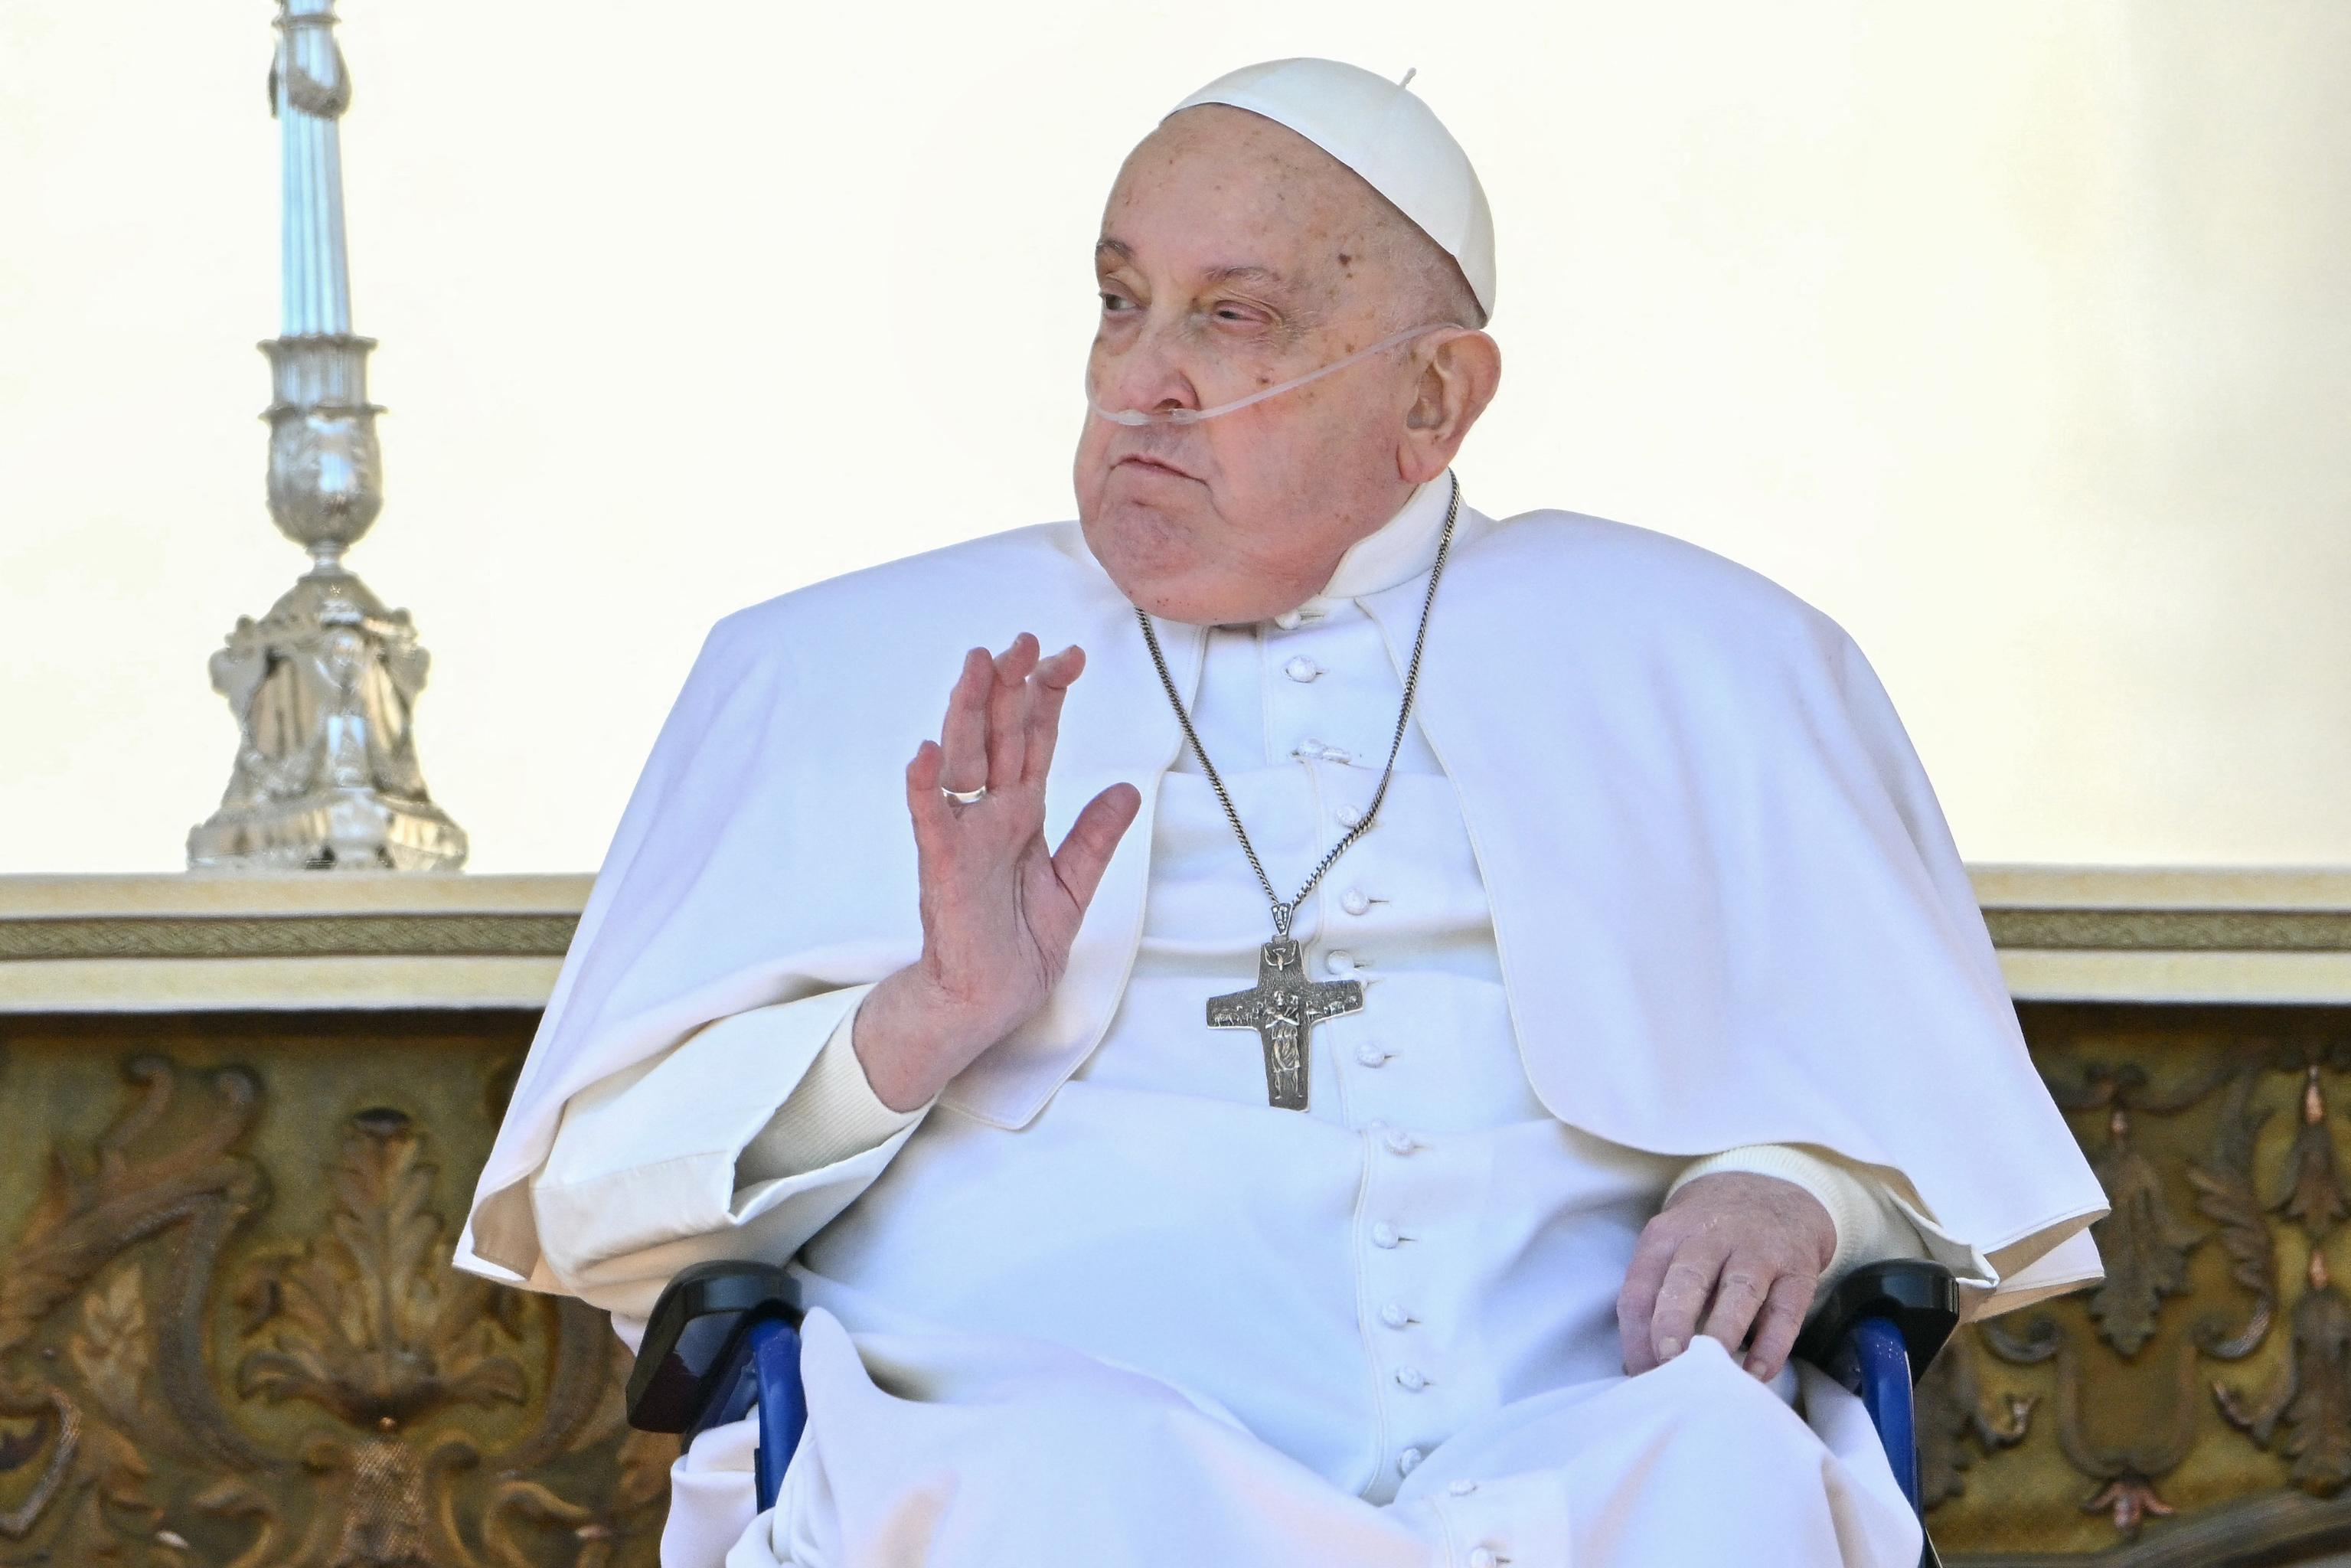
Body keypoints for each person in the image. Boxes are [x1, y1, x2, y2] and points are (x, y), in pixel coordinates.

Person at [457, 57, 2107, 1568]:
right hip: (1039, 1439)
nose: (1143, 383)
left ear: (1436, 400)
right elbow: (597, 1219)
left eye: (1231, 320)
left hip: (1588, 1447)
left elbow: (1945, 1144)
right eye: (1120, 304)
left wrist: (1796, 1185)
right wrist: (915, 1024)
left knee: (1718, 1490)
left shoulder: (1711, 659)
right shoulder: (827, 666)